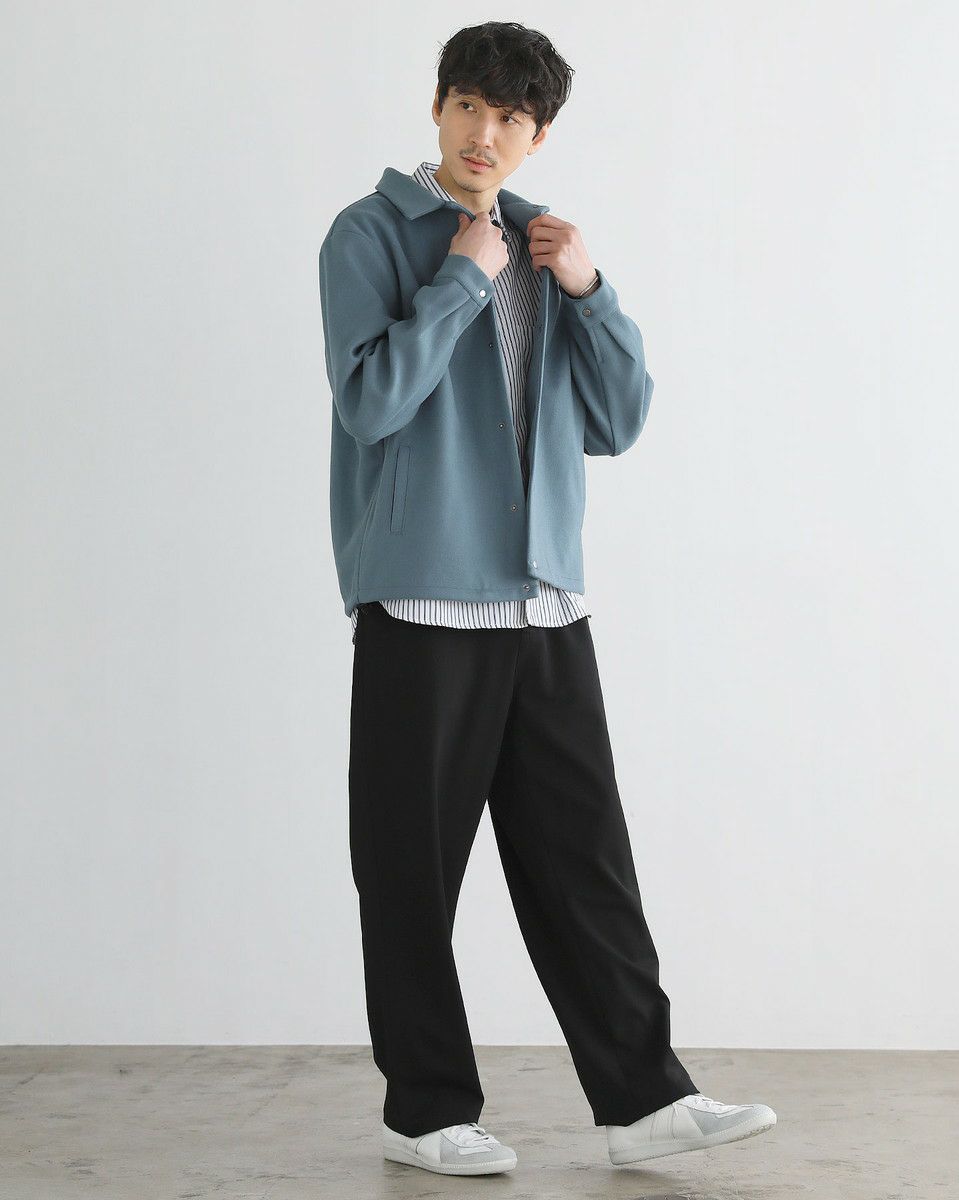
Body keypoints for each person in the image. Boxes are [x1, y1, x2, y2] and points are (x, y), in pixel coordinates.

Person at [318, 20, 777, 1177]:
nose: (487, 133)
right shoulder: (369, 233)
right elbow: (371, 402)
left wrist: (591, 289)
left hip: (545, 602)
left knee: (585, 861)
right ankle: (424, 1110)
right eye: (470, 106)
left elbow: (616, 422)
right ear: (438, 107)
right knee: (413, 871)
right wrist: (461, 282)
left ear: (539, 134)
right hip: (424, 597)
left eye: (513, 117)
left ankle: (643, 1100)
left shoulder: (545, 244)